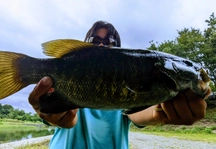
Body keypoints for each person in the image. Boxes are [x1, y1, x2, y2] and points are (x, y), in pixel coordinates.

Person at [28, 21, 208, 149]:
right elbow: (67, 117)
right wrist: (52, 111)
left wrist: (160, 113)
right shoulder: (69, 82)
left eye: (109, 42)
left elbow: (141, 113)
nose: (100, 44)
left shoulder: (129, 88)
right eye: (94, 40)